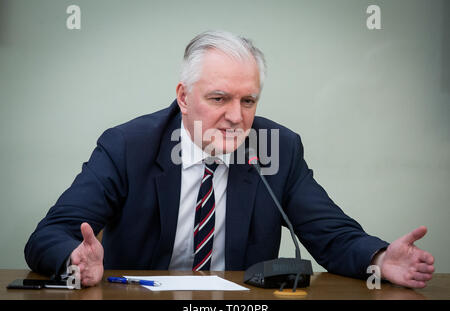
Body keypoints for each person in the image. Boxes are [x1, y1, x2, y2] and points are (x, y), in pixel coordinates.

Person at [25, 30, 435, 288]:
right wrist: (74, 260)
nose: (236, 116)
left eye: (248, 100)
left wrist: (380, 258)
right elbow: (49, 235)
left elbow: (332, 236)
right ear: (184, 97)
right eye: (219, 98)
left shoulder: (278, 147)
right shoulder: (127, 146)